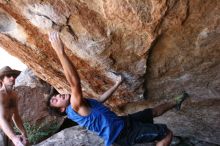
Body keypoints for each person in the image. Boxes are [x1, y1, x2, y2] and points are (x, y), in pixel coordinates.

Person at [47, 31, 189, 146]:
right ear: (61, 109)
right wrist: (60, 53)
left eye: (56, 95)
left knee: (153, 111)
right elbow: (75, 83)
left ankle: (177, 101)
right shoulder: (74, 107)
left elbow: (99, 100)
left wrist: (117, 84)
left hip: (123, 123)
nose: (58, 96)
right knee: (166, 134)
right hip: (122, 134)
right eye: (55, 100)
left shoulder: (81, 106)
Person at [0, 66, 28, 146]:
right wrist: (14, 138)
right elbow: (1, 118)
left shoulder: (14, 95)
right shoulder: (0, 95)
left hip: (9, 129)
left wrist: (24, 133)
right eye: (8, 76)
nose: (12, 78)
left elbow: (16, 116)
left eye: (13, 76)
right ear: (2, 79)